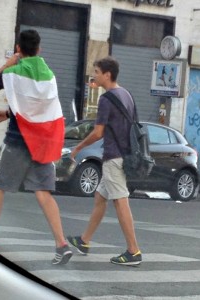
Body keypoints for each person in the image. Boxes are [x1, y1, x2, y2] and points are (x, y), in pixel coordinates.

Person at [0, 29, 73, 265]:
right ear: (39, 49)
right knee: (43, 193)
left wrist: (7, 63)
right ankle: (61, 243)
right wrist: (10, 112)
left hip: (17, 143)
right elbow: (37, 108)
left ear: (18, 49)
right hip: (41, 144)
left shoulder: (13, 71)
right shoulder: (48, 74)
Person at [67, 56, 142, 266]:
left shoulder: (106, 99)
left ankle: (133, 251)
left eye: (97, 72)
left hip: (113, 157)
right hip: (125, 155)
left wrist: (79, 147)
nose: (94, 75)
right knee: (100, 196)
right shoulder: (126, 94)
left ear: (107, 75)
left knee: (120, 201)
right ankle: (84, 240)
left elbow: (98, 132)